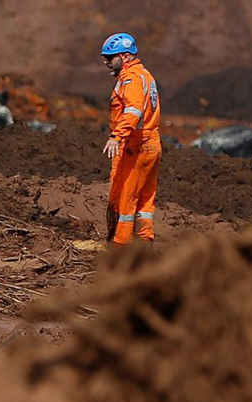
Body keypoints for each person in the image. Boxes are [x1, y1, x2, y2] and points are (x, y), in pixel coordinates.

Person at [101, 32, 161, 245]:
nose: (106, 62)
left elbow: (133, 111)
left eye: (110, 58)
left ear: (125, 56)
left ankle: (121, 247)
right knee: (145, 199)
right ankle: (144, 243)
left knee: (125, 199)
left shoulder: (131, 78)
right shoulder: (144, 74)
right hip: (151, 143)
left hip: (136, 145)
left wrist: (116, 136)